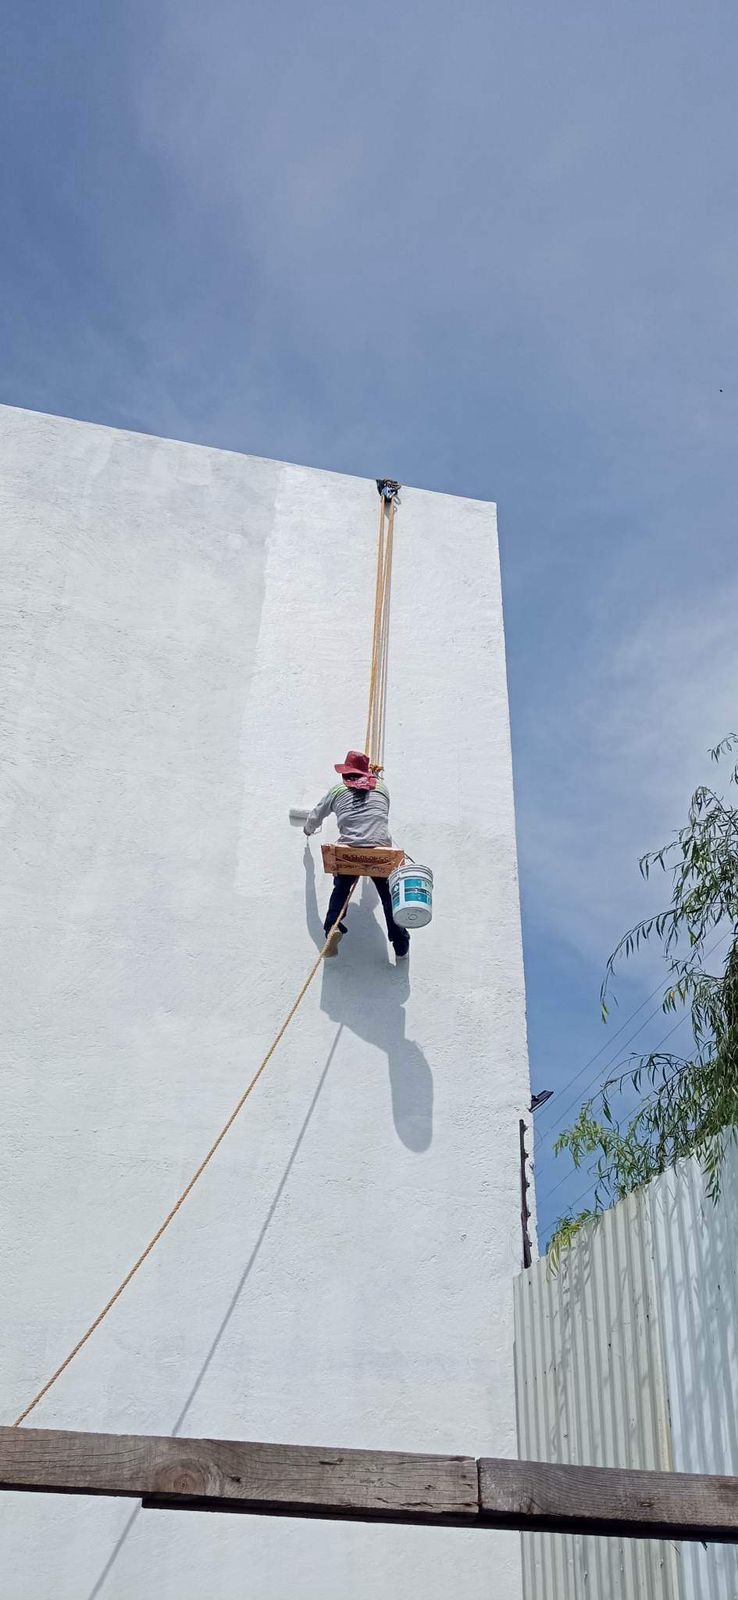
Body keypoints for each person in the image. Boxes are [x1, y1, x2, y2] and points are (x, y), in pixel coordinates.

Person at [303, 750, 410, 959]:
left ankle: (332, 927)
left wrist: (308, 829)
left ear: (345, 773)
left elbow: (317, 814)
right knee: (388, 897)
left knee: (341, 889)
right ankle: (400, 942)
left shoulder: (337, 790)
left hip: (349, 850)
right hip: (381, 852)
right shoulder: (382, 789)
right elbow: (380, 814)